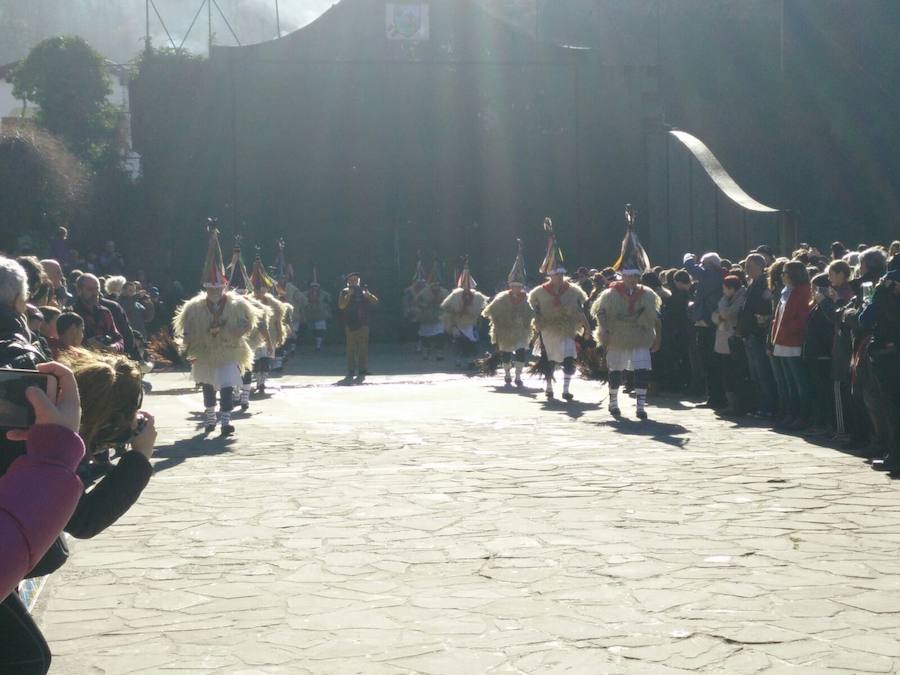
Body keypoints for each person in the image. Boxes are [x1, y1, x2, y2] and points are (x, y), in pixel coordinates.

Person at [172, 224, 260, 435]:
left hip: (228, 349)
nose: (215, 291)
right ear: (206, 288)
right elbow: (187, 330)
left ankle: (226, 420)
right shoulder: (194, 308)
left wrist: (236, 332)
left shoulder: (237, 305)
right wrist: (188, 345)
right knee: (208, 386)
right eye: (211, 288)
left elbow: (249, 322)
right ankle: (211, 417)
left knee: (228, 386)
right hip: (204, 351)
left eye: (218, 288)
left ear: (224, 287)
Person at [528, 218, 589, 402]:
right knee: (549, 360)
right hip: (548, 329)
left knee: (569, 360)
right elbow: (535, 311)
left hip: (567, 328)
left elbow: (579, 311)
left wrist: (587, 329)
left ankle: (566, 389)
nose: (559, 277)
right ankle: (548, 386)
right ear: (550, 275)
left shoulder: (573, 291)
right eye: (556, 274)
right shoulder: (538, 293)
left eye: (562, 274)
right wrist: (537, 326)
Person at [482, 240, 534, 387]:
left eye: (519, 287)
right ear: (510, 287)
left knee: (521, 352)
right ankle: (507, 373)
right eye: (514, 287)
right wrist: (498, 322)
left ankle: (518, 376)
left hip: (521, 331)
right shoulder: (502, 298)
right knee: (506, 353)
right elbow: (489, 311)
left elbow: (533, 313)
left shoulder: (527, 298)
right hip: (505, 330)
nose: (517, 289)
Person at [770, 260, 813, 430]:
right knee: (787, 382)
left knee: (798, 382)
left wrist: (786, 330)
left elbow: (801, 318)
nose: (782, 276)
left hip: (793, 341)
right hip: (781, 340)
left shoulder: (802, 291)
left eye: (785, 273)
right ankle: (790, 413)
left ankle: (802, 416)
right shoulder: (786, 291)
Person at [736, 253, 777, 418]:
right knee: (755, 374)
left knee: (762, 373)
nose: (747, 270)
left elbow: (765, 306)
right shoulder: (752, 284)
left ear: (760, 266)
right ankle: (760, 404)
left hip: (757, 333)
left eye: (750, 266)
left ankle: (768, 406)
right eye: (745, 266)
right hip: (749, 333)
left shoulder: (763, 284)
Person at [685, 251, 726, 409]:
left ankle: (716, 398)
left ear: (709, 265)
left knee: (711, 363)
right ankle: (713, 397)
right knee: (708, 363)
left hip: (709, 324)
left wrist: (689, 257)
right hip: (707, 323)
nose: (700, 267)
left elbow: (689, 266)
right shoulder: (716, 276)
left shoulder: (711, 275)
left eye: (703, 264)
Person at [441, 259, 488, 369]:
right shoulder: (455, 296)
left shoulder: (477, 297)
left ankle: (470, 361)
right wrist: (454, 318)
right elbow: (447, 308)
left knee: (471, 344)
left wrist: (475, 315)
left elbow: (481, 310)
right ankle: (458, 360)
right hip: (458, 323)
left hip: (471, 324)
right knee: (459, 343)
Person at [713, 275, 749, 416]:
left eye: (724, 289)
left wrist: (722, 311)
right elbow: (715, 316)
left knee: (733, 373)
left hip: (733, 339)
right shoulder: (728, 299)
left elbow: (726, 314)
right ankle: (730, 402)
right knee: (725, 372)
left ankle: (736, 405)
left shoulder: (740, 298)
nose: (723, 292)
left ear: (731, 288)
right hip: (724, 336)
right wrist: (721, 318)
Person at [338, 273, 379, 384]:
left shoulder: (364, 291)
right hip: (350, 324)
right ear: (348, 282)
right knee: (351, 349)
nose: (354, 282)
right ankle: (351, 371)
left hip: (363, 323)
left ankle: (362, 370)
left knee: (363, 348)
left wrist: (368, 295)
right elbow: (341, 306)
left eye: (355, 280)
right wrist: (348, 296)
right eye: (351, 280)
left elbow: (375, 302)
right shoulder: (344, 292)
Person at [72, 274, 123, 352]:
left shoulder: (105, 312)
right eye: (90, 289)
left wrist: (115, 347)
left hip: (107, 358)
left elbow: (118, 338)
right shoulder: (71, 313)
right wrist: (87, 344)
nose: (95, 293)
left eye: (97, 289)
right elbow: (67, 342)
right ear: (79, 290)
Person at [415, 262, 448, 361]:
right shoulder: (424, 293)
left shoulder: (445, 292)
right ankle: (425, 354)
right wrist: (425, 306)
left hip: (439, 318)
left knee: (440, 337)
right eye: (434, 284)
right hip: (427, 318)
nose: (436, 286)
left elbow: (448, 304)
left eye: (437, 284)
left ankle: (439, 354)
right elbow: (417, 302)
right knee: (425, 337)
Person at [306, 268, 331, 352]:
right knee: (314, 331)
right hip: (310, 315)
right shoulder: (306, 293)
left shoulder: (324, 294)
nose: (314, 288)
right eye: (313, 286)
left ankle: (318, 345)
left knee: (320, 331)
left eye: (316, 286)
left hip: (320, 315)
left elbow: (329, 301)